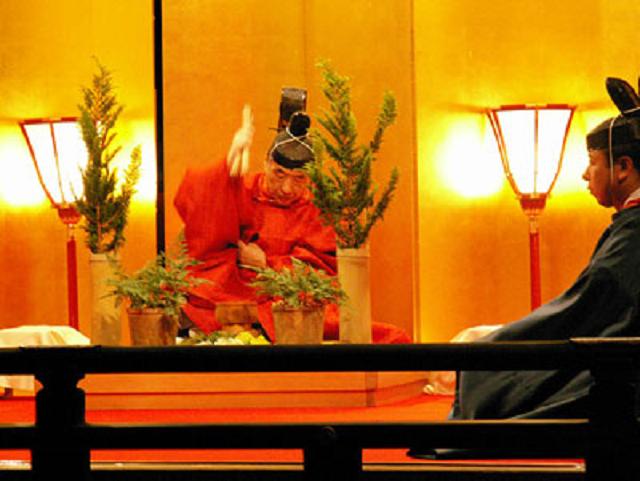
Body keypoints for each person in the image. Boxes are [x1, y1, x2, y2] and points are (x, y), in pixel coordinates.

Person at [439, 76, 640, 423]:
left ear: (622, 168)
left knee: (482, 357)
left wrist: (496, 342)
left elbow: (582, 310)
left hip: (622, 380)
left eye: (592, 161)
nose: (585, 174)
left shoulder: (633, 232)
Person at [174, 102, 410, 344]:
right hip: (238, 290)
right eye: (279, 174)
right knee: (204, 298)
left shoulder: (319, 209)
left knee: (390, 338)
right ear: (266, 163)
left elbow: (323, 273)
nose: (287, 188)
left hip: (291, 296)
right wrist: (227, 164)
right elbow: (197, 211)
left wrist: (267, 265)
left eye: (299, 178)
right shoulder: (243, 188)